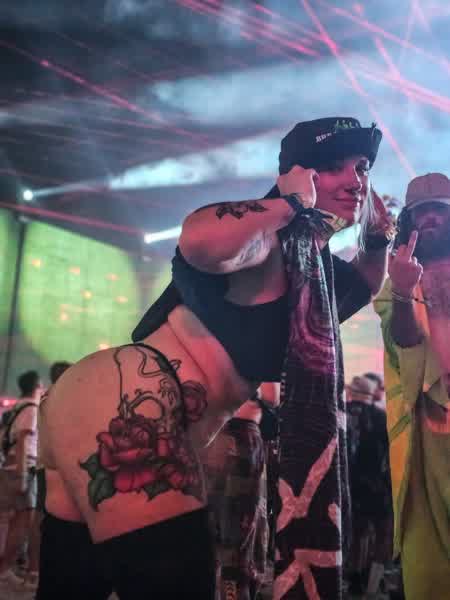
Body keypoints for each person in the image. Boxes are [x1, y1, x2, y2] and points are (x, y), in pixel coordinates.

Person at [38, 116, 391, 599]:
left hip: (113, 405)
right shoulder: (265, 240)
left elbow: (364, 284)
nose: (356, 180)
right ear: (299, 174)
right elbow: (198, 240)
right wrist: (287, 203)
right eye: (335, 167)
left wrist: (380, 237)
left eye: (363, 167)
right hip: (128, 403)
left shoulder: (314, 276)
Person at [374, 172, 450, 600]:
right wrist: (404, 291)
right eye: (422, 212)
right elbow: (402, 341)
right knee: (430, 560)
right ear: (410, 221)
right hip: (427, 433)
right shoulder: (401, 279)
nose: (431, 218)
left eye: (439, 209)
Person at [203, 382, 280, 600]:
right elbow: (272, 397)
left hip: (209, 436)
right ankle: (234, 592)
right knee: (240, 528)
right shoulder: (259, 358)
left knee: (212, 522)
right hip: (242, 439)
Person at [345, 375, 393, 597]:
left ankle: (354, 580)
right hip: (377, 486)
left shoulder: (340, 413)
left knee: (358, 533)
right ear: (372, 394)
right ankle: (372, 586)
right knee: (384, 534)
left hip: (349, 485)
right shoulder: (380, 417)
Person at [0, 370, 43, 589]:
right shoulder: (32, 410)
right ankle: (4, 569)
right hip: (23, 468)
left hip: (10, 467)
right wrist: (23, 474)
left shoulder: (16, 407)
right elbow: (23, 442)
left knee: (11, 520)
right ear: (36, 387)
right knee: (23, 522)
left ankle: (5, 568)